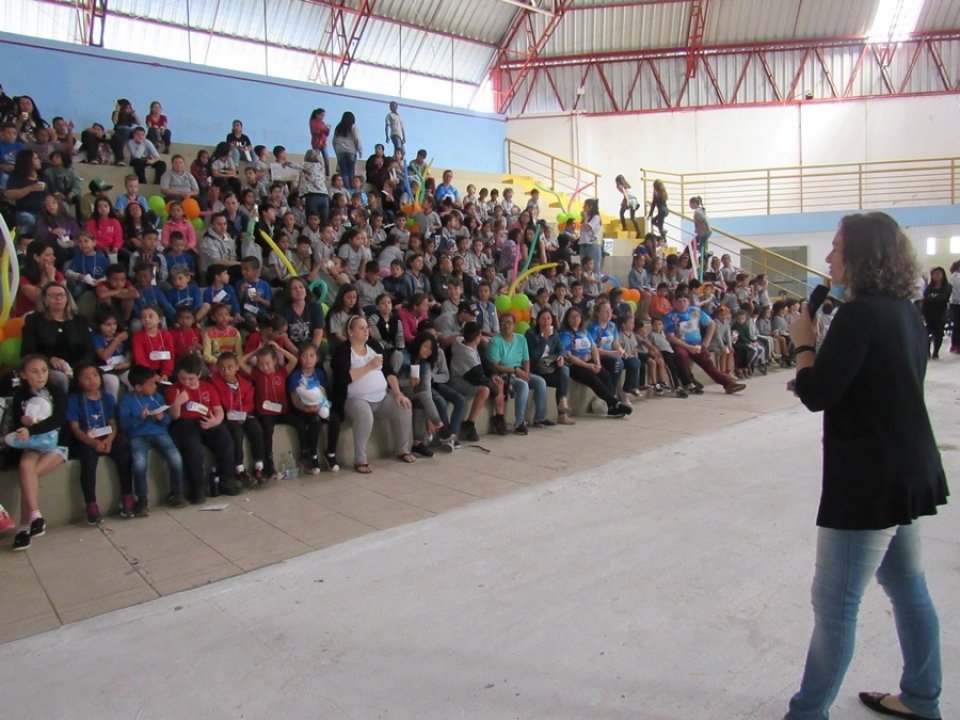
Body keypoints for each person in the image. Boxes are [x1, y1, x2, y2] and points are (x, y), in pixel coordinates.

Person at [784, 212, 948, 720]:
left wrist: (804, 343)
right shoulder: (903, 310)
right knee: (907, 587)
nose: (829, 256)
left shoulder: (860, 315)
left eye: (836, 247)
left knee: (835, 607)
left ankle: (807, 712)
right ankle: (922, 698)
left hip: (870, 481)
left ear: (862, 254)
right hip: (907, 468)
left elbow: (819, 393)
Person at [330, 315, 415, 473]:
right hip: (355, 400)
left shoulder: (374, 345)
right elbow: (343, 378)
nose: (366, 331)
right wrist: (369, 366)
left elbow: (389, 371)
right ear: (350, 331)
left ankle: (403, 449)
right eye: (361, 328)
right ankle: (360, 460)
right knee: (364, 416)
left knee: (404, 407)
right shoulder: (342, 351)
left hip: (382, 397)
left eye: (366, 328)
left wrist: (397, 393)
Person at [2, 354, 68, 550]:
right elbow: (16, 423)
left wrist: (32, 429)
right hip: (33, 444)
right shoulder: (20, 396)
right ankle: (36, 516)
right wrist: (24, 426)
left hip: (56, 443)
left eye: (44, 370)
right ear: (23, 375)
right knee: (25, 466)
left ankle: (23, 528)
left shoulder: (57, 391)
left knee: (28, 475)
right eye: (34, 371)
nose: (41, 375)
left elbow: (58, 419)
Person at [66, 363, 133, 524]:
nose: (92, 380)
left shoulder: (107, 397)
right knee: (88, 466)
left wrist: (109, 440)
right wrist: (92, 442)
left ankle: (127, 497)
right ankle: (91, 505)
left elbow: (113, 423)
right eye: (86, 377)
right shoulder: (74, 399)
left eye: (95, 375)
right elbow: (74, 428)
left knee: (124, 457)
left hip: (107, 436)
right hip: (86, 439)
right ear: (79, 381)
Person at [119, 364, 188, 510]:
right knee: (139, 463)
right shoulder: (127, 400)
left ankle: (177, 493)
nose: (155, 386)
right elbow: (124, 425)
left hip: (158, 432)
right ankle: (142, 498)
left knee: (175, 458)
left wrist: (161, 418)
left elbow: (167, 421)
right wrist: (140, 418)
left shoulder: (157, 397)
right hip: (137, 435)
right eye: (151, 384)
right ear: (138, 387)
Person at [21, 281, 97, 394]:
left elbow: (89, 350)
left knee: (104, 378)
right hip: (46, 368)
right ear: (45, 300)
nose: (58, 298)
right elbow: (28, 351)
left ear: (67, 299)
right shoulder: (34, 320)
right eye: (52, 295)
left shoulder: (80, 320)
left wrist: (78, 369)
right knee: (61, 378)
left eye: (61, 295)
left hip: (77, 366)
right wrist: (49, 359)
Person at [663, 294, 746, 395]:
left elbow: (711, 324)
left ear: (688, 301)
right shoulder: (670, 316)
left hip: (696, 344)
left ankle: (727, 383)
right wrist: (688, 347)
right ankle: (689, 382)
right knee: (682, 356)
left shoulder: (695, 311)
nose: (682, 304)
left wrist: (706, 342)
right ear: (674, 303)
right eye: (679, 302)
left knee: (707, 361)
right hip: (680, 344)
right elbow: (670, 337)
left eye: (684, 301)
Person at [525, 308, 575, 425]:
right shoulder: (531, 334)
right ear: (538, 321)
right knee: (563, 374)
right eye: (543, 319)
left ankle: (562, 404)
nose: (546, 322)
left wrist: (561, 357)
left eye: (548, 319)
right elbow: (533, 356)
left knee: (564, 370)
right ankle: (562, 411)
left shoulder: (554, 333)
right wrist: (544, 338)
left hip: (550, 367)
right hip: (536, 367)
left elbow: (561, 348)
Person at [921, 266, 950, 359]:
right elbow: (925, 298)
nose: (936, 276)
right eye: (934, 274)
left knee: (938, 334)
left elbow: (943, 299)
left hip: (940, 314)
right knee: (926, 334)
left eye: (938, 273)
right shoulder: (929, 287)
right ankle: (927, 352)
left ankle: (936, 352)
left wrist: (932, 298)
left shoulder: (947, 287)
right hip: (928, 313)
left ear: (942, 275)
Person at [332, 111, 362, 190]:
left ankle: (347, 189)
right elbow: (357, 139)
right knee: (351, 171)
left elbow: (334, 141)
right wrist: (360, 150)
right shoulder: (353, 127)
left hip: (340, 151)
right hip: (351, 151)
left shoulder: (338, 127)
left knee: (344, 172)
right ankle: (352, 189)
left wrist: (336, 151)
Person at [578, 198, 602, 272]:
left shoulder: (596, 217)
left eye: (585, 206)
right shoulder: (585, 218)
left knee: (595, 269)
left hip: (592, 245)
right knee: (584, 269)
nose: (583, 207)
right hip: (583, 245)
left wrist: (585, 217)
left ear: (591, 206)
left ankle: (597, 283)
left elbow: (588, 228)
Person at [309, 108, 331, 176]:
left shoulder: (322, 123)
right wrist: (323, 129)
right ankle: (316, 173)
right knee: (316, 159)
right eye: (321, 115)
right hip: (316, 143)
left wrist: (327, 129)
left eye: (323, 116)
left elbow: (326, 133)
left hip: (323, 143)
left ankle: (327, 175)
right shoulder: (313, 122)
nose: (322, 117)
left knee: (326, 159)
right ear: (317, 114)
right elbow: (315, 132)